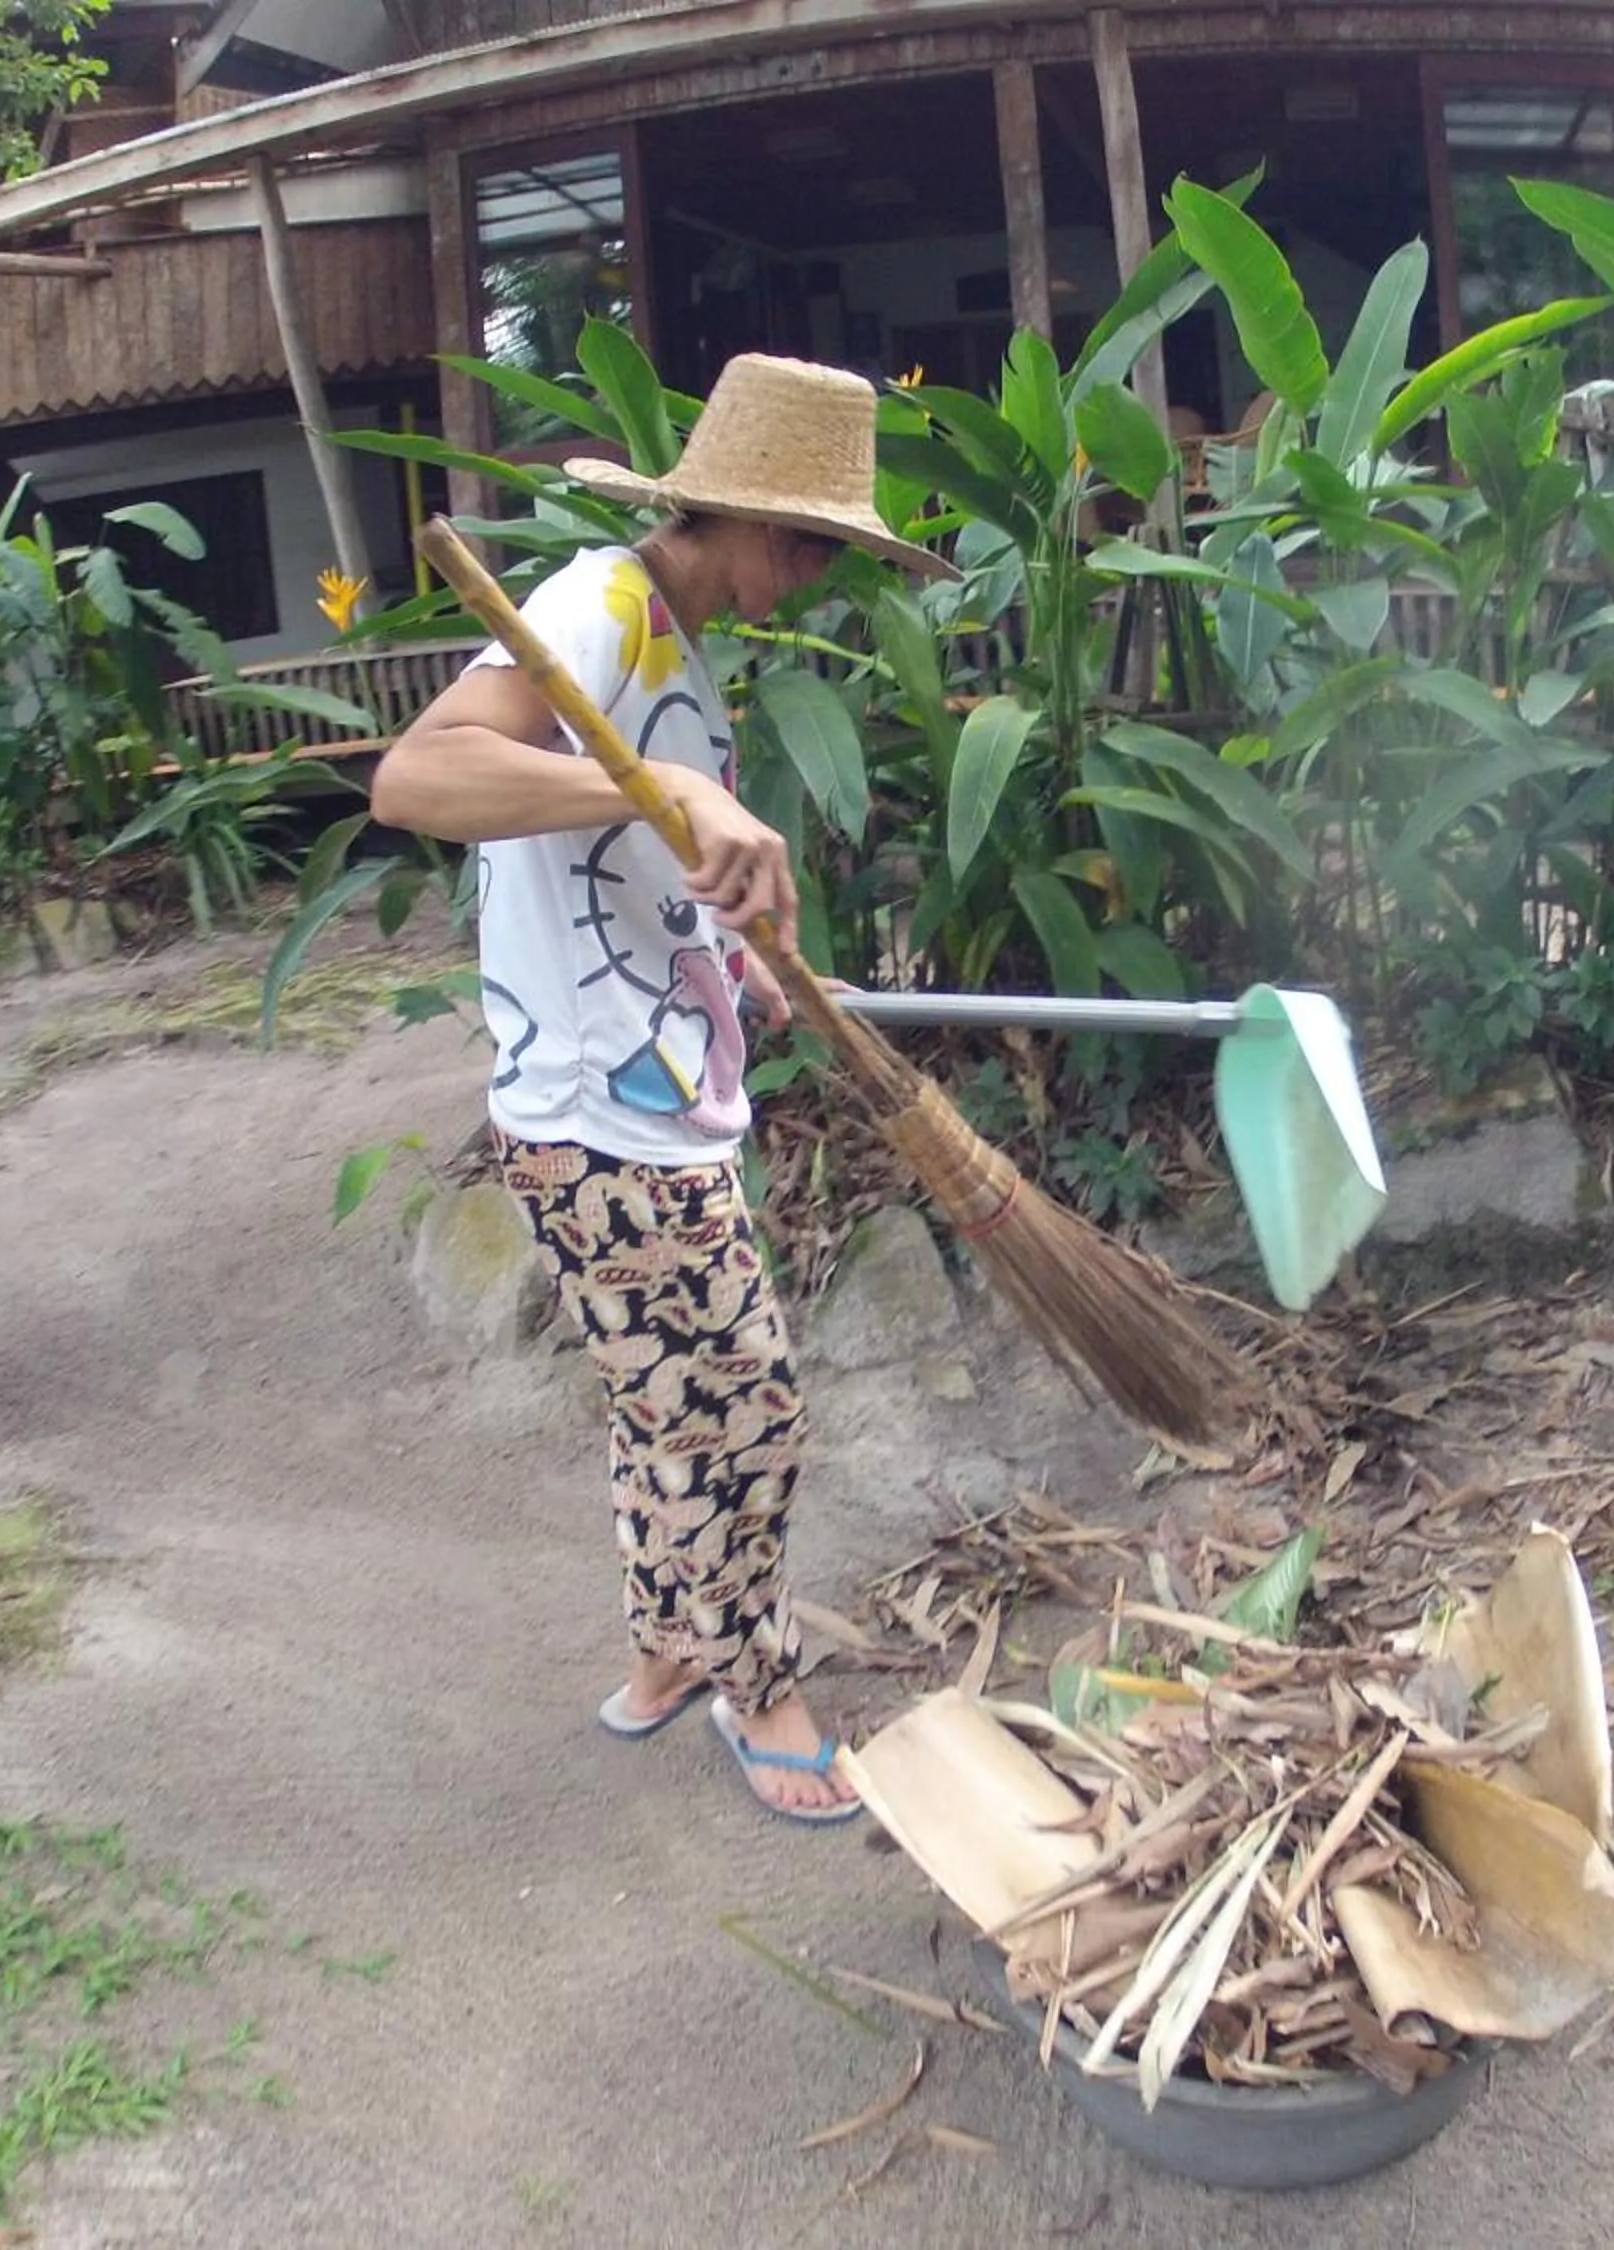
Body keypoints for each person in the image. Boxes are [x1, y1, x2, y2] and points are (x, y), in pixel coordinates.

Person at [369, 355, 955, 1824]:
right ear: (730, 511)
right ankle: (758, 1686)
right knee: (742, 1413)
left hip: (659, 1090)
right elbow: (419, 778)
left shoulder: (676, 647)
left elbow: (639, 867)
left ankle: (665, 1654)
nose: (815, 573)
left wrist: (729, 941)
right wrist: (662, 792)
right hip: (595, 1120)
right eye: (805, 539)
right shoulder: (601, 607)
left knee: (665, 1405)